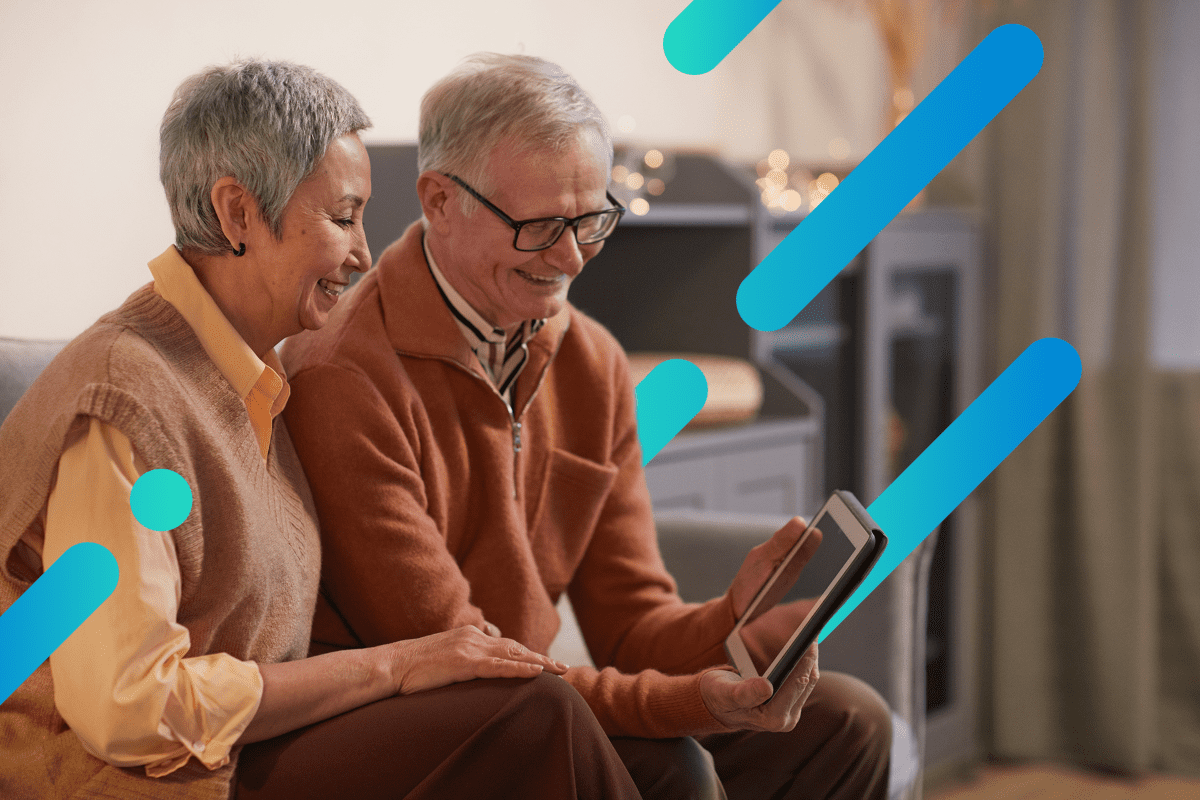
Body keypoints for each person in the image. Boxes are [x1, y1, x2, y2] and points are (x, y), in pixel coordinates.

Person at [0, 59, 638, 799]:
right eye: (342, 218)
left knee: (604, 744)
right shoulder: (123, 403)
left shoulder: (247, 381)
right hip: (132, 782)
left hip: (242, 753)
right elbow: (127, 708)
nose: (364, 253)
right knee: (533, 718)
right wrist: (393, 666)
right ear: (238, 214)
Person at [281, 52, 893, 799]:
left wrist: (738, 615)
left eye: (592, 219)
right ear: (439, 200)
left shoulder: (592, 361)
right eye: (540, 226)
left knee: (849, 723)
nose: (572, 258)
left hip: (534, 701)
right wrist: (693, 703)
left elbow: (632, 628)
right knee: (672, 765)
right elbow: (473, 665)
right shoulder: (343, 376)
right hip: (422, 725)